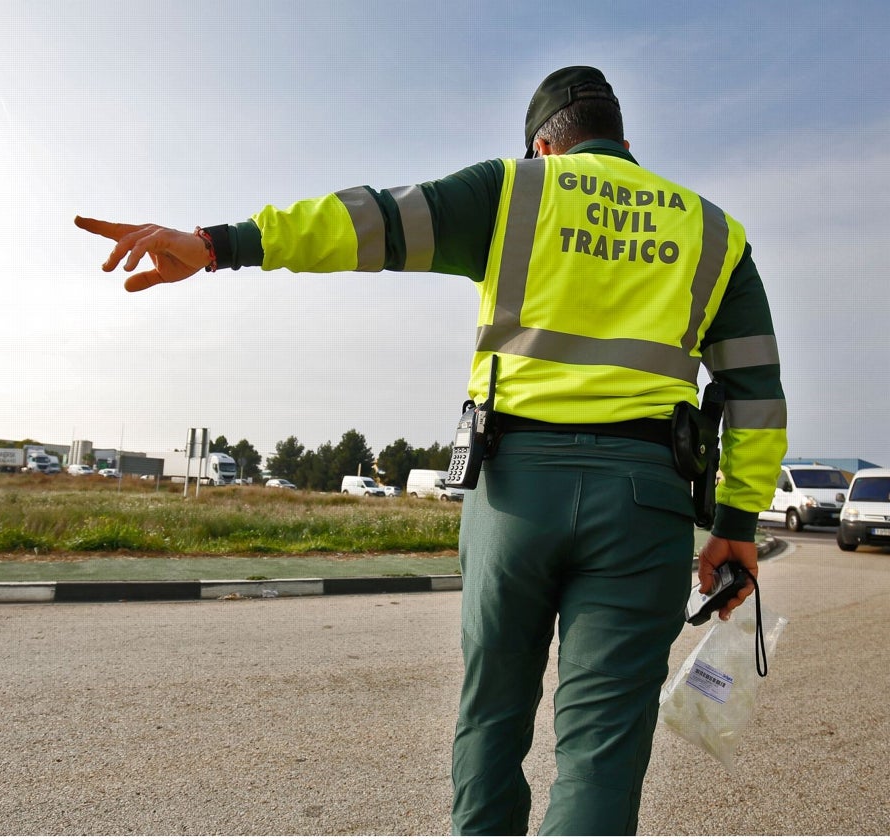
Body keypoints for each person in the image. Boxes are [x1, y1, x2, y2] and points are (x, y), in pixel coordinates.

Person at [75, 65, 787, 835]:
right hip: (646, 501)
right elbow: (756, 394)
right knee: (603, 752)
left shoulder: (513, 191)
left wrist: (218, 245)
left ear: (543, 146)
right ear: (624, 142)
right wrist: (737, 523)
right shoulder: (714, 231)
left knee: (492, 715)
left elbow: (368, 221)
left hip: (515, 491)